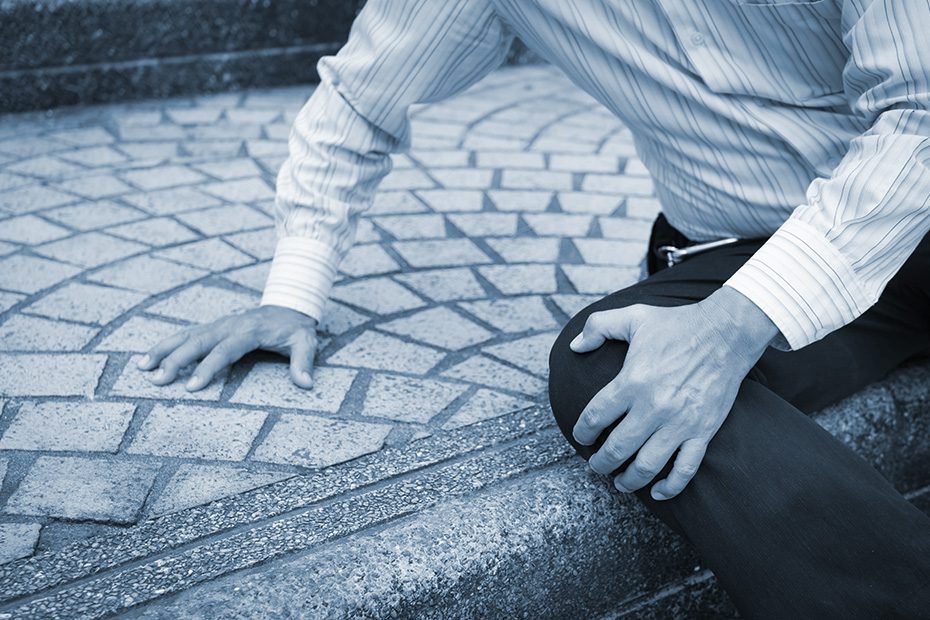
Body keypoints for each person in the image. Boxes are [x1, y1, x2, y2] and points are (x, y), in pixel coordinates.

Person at [138, 1, 930, 616]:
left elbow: (920, 112)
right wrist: (292, 292)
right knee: (610, 366)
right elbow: (360, 97)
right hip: (740, 248)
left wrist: (734, 327)